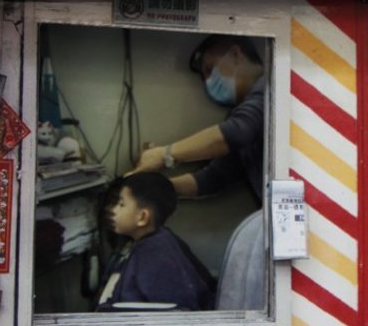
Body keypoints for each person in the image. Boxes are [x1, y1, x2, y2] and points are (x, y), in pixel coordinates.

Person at [131, 35, 266, 204]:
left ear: (235, 54)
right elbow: (215, 178)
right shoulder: (241, 114)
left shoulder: (272, 86)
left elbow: (237, 131)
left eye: (209, 69)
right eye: (205, 77)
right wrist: (155, 188)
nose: (209, 83)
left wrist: (164, 154)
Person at [96, 172, 215, 310]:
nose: (113, 210)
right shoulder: (157, 240)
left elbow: (173, 312)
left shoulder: (155, 256)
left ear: (142, 217)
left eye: (121, 204)